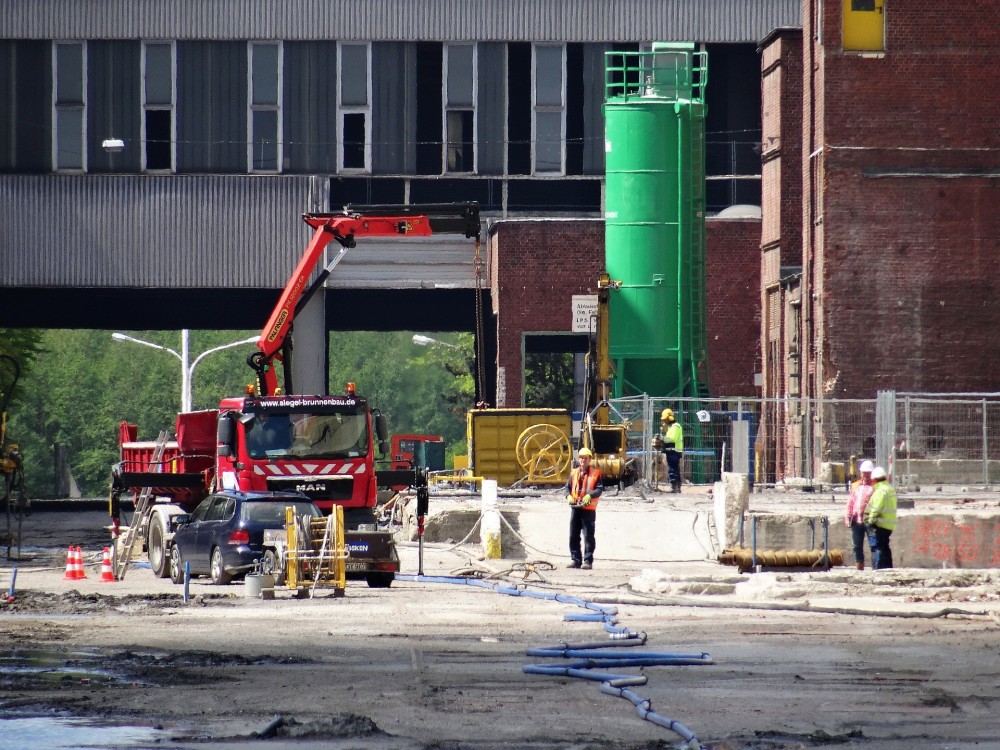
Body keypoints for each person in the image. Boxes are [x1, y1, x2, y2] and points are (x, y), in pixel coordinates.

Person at [563, 447, 604, 570]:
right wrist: (568, 496)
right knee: (573, 535)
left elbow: (599, 489)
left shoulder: (596, 474)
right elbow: (567, 488)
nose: (583, 461)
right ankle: (575, 560)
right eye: (581, 458)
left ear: (589, 459)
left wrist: (589, 495)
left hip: (588, 509)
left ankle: (587, 561)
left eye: (585, 458)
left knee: (588, 536)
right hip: (576, 508)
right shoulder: (574, 473)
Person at [865, 466, 897, 569]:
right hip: (889, 525)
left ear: (873, 480)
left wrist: (869, 521)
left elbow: (876, 509)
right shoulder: (890, 489)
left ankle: (877, 570)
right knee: (885, 547)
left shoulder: (880, 491)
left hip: (880, 524)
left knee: (876, 548)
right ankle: (888, 569)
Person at [845, 459, 875, 570]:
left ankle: (876, 567)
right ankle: (859, 567)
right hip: (855, 520)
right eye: (864, 473)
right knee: (856, 546)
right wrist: (847, 517)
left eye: (868, 473)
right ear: (861, 473)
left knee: (873, 546)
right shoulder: (855, 486)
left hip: (869, 521)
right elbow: (850, 502)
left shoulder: (874, 487)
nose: (866, 475)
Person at [654, 408, 684, 493]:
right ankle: (676, 487)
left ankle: (675, 487)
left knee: (673, 469)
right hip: (671, 451)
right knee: (674, 469)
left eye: (665, 420)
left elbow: (671, 439)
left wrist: (661, 438)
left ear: (669, 418)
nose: (665, 421)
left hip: (674, 451)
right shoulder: (671, 427)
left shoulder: (676, 427)